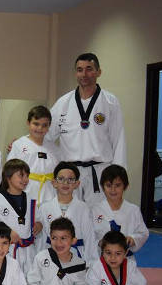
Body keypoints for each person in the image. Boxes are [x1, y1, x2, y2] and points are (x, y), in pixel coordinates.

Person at [47, 53, 126, 203]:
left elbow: (118, 140)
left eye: (89, 69)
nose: (84, 74)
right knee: (70, 213)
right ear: (75, 73)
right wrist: (25, 143)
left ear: (98, 72)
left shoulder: (110, 102)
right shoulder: (63, 103)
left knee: (98, 215)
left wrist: (118, 174)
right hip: (69, 174)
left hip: (99, 172)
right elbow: (46, 135)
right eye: (80, 70)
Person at [26, 218, 94, 285]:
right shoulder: (41, 257)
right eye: (54, 238)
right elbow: (32, 282)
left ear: (73, 240)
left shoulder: (79, 263)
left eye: (63, 238)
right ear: (50, 239)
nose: (58, 243)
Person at [0, 159, 42, 275]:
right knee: (8, 279)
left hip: (28, 251)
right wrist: (7, 232)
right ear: (8, 177)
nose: (25, 179)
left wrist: (39, 224)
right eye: (21, 175)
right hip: (7, 250)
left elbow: (37, 218)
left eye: (27, 176)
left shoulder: (31, 199)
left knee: (29, 280)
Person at [36, 162, 98, 262]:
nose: (65, 183)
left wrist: (90, 263)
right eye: (61, 179)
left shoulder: (83, 208)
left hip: (76, 257)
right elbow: (41, 240)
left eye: (70, 179)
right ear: (54, 182)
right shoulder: (45, 208)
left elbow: (89, 238)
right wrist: (40, 261)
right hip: (50, 257)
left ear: (77, 184)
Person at [91, 165, 149, 257]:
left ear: (125, 186)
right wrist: (99, 242)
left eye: (117, 185)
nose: (113, 190)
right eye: (108, 185)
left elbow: (143, 233)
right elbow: (89, 234)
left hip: (126, 258)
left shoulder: (133, 210)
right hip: (101, 258)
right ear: (102, 187)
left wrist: (133, 239)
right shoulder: (95, 210)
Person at [6, 106, 59, 204]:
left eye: (44, 125)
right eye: (36, 124)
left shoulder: (54, 148)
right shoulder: (19, 145)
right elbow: (10, 171)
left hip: (49, 192)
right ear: (28, 123)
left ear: (49, 126)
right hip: (27, 190)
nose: (40, 128)